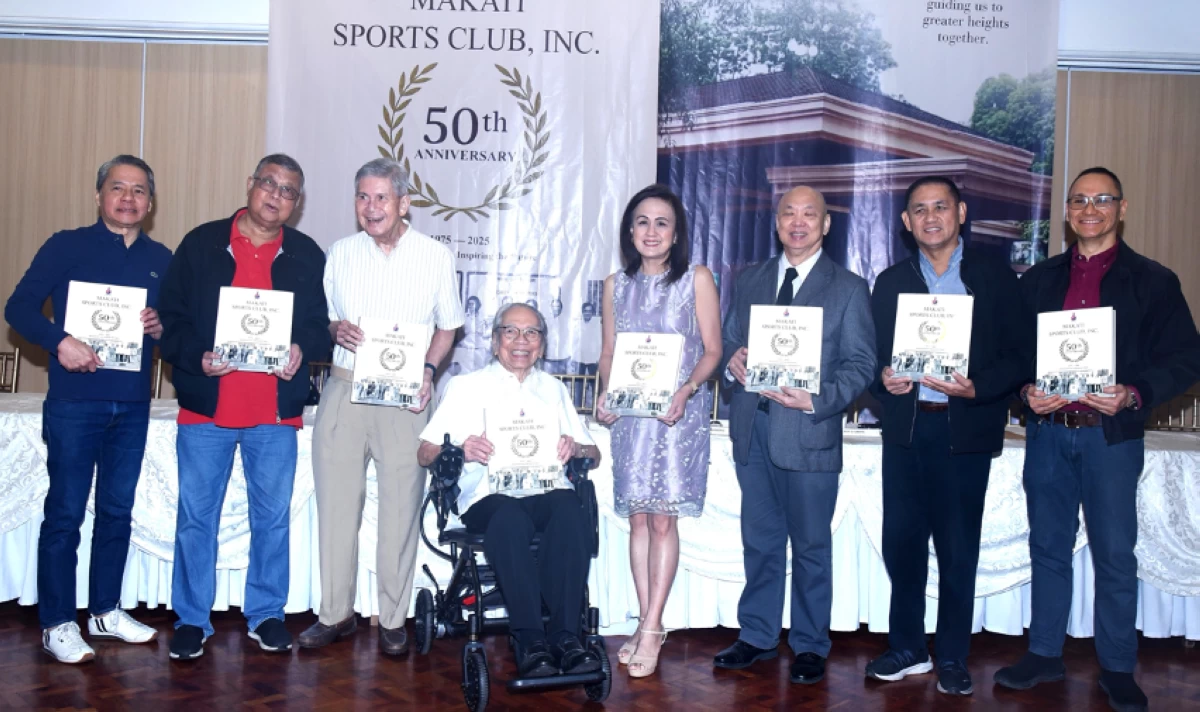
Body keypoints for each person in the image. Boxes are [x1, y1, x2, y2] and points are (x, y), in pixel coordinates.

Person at [995, 167, 1200, 712]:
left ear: (1122, 208)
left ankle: (1116, 666)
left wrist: (1134, 392)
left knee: (1114, 553)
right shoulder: (1038, 280)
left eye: (1102, 199)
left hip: (1110, 436)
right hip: (1047, 434)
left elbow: (1186, 357)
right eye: (1080, 200)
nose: (1090, 208)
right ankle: (1044, 653)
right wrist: (1024, 389)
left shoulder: (1154, 281)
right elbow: (1012, 355)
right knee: (1048, 548)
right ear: (1067, 212)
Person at [158, 154, 331, 660]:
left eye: (289, 191)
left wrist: (303, 348)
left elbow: (321, 326)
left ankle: (266, 614)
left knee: (272, 518)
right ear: (250, 185)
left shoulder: (306, 254)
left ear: (296, 204)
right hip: (206, 408)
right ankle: (192, 618)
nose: (276, 196)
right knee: (196, 519)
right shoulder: (201, 243)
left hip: (275, 413)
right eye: (269, 184)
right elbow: (170, 319)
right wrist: (198, 357)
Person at [5, 155, 172, 664]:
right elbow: (17, 308)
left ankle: (104, 610)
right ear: (99, 195)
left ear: (150, 202)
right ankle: (57, 622)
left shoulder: (162, 258)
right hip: (76, 403)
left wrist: (161, 327)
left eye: (139, 190)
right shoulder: (66, 245)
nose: (128, 198)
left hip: (132, 404)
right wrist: (59, 343)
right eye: (118, 188)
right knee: (65, 514)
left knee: (117, 512)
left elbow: (176, 326)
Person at [867, 176, 1028, 695]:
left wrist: (978, 387)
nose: (930, 217)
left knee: (958, 548)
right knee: (903, 544)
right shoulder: (891, 282)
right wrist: (884, 380)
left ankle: (953, 654)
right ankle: (908, 647)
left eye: (941, 206)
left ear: (960, 213)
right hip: (908, 432)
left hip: (963, 433)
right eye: (919, 209)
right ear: (906, 222)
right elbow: (871, 360)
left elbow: (1019, 356)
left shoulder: (994, 277)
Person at [299, 158, 463, 655]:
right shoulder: (340, 252)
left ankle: (393, 619)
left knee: (400, 508)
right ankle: (335, 615)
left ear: (403, 202)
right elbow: (324, 320)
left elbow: (449, 325)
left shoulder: (434, 255)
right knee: (336, 507)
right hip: (346, 386)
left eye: (380, 198)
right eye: (362, 198)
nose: (370, 208)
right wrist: (335, 331)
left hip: (405, 395)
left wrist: (430, 372)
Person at [712, 186, 875, 684]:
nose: (798, 223)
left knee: (808, 546)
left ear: (826, 225)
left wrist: (818, 398)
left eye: (810, 215)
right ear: (777, 222)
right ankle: (758, 635)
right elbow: (731, 343)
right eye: (789, 214)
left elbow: (862, 364)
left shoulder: (847, 287)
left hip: (808, 432)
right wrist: (732, 362)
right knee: (759, 541)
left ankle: (809, 643)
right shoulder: (752, 278)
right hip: (752, 429)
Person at [417, 303, 604, 678]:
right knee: (509, 515)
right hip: (488, 497)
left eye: (531, 332)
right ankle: (530, 638)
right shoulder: (466, 386)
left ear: (542, 344)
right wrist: (459, 449)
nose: (521, 341)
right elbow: (425, 452)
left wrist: (576, 448)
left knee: (570, 509)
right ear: (494, 339)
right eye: (511, 331)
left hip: (546, 490)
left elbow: (593, 453)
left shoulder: (553, 390)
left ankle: (567, 637)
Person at [594, 185, 721, 678]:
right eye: (642, 222)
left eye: (662, 223)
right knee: (639, 520)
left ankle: (652, 626)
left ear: (676, 234)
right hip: (632, 420)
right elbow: (608, 352)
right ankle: (646, 621)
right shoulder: (614, 285)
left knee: (664, 519)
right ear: (630, 231)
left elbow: (713, 349)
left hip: (675, 416)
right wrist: (605, 395)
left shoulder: (697, 279)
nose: (651, 231)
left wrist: (687, 390)